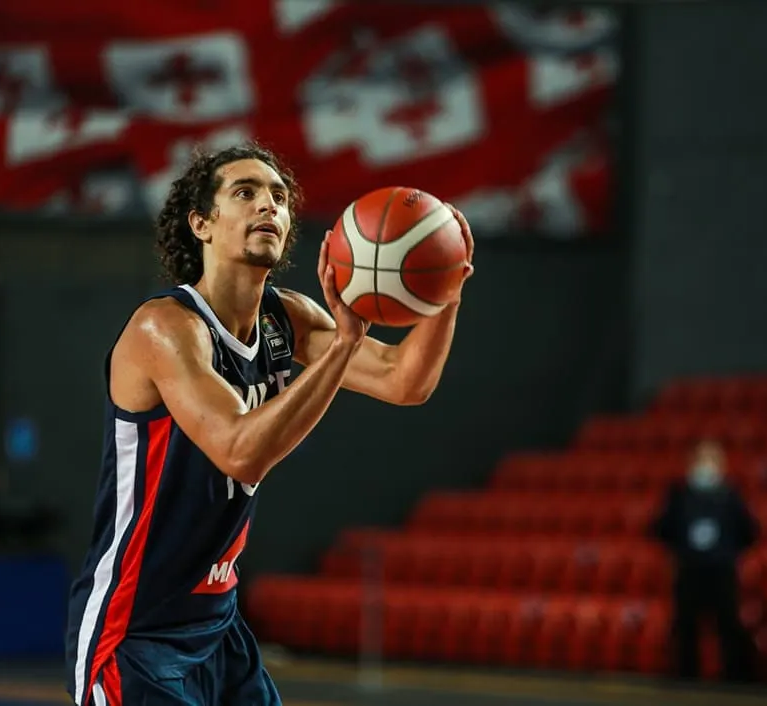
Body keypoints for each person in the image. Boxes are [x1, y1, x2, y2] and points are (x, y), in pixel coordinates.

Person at [64, 143, 474, 705]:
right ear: (201, 224)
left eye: (279, 197)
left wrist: (444, 292)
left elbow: (406, 380)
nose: (269, 206)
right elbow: (239, 451)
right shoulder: (163, 328)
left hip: (219, 627)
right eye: (246, 192)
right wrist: (342, 347)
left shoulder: (288, 318)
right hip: (135, 630)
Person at [650, 440, 758, 683]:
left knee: (727, 624)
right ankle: (687, 677)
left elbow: (749, 532)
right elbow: (661, 529)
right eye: (701, 459)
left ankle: (734, 678)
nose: (705, 466)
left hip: (721, 571)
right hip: (689, 570)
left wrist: (728, 553)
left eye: (711, 460)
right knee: (686, 626)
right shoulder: (678, 495)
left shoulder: (731, 496)